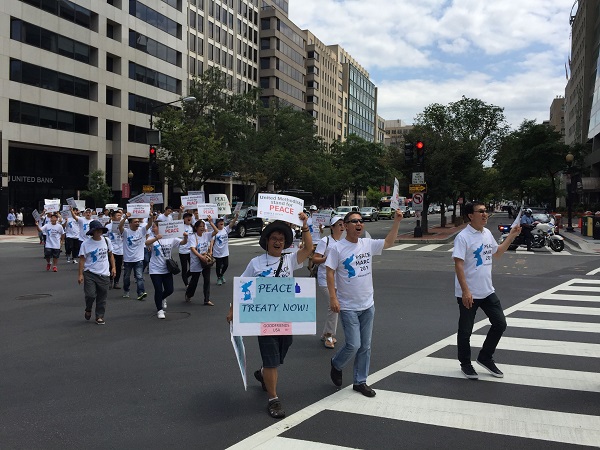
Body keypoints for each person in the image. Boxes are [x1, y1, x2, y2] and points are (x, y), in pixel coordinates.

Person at [226, 213, 313, 419]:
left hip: (286, 317)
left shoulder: (290, 260)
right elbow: (242, 286)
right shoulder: (256, 263)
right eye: (274, 238)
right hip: (263, 319)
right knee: (272, 359)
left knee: (282, 350)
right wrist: (232, 309)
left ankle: (263, 371)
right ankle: (273, 399)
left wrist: (305, 226)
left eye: (281, 239)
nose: (278, 242)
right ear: (267, 241)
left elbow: (308, 249)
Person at [326, 209, 403, 398]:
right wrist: (333, 298)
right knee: (353, 344)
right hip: (348, 306)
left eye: (361, 221)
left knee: (365, 346)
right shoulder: (337, 248)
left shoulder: (367, 244)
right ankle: (336, 363)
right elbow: (329, 272)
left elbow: (389, 242)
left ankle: (360, 381)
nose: (359, 224)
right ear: (345, 226)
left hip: (368, 304)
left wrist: (397, 222)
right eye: (354, 221)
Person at [452, 201, 520, 380]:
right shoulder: (463, 237)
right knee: (466, 330)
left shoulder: (487, 233)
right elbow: (458, 264)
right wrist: (465, 291)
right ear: (470, 215)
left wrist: (511, 236)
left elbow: (496, 253)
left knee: (500, 323)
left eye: (485, 211)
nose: (485, 214)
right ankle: (465, 363)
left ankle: (485, 357)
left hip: (487, 290)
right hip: (469, 293)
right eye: (480, 211)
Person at [312, 216, 345, 349]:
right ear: (332, 227)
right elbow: (315, 259)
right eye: (339, 224)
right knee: (334, 307)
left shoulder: (344, 242)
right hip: (324, 279)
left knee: (333, 307)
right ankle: (329, 336)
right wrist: (327, 258)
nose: (342, 227)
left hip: (338, 280)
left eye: (343, 224)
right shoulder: (325, 241)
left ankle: (326, 333)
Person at [146, 221, 188, 319]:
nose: (153, 229)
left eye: (154, 227)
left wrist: (185, 237)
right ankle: (159, 310)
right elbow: (146, 243)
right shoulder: (152, 238)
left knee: (169, 290)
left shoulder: (171, 238)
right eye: (152, 227)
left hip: (167, 269)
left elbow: (182, 243)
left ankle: (162, 298)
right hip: (155, 269)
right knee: (158, 289)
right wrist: (156, 238)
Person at [78, 220, 116, 325]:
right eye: (96, 230)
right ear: (92, 232)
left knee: (102, 297)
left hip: (104, 274)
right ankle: (88, 308)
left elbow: (111, 255)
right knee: (90, 295)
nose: (99, 231)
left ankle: (99, 316)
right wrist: (80, 274)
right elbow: (82, 259)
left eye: (100, 229)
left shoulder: (107, 240)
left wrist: (113, 268)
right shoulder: (86, 244)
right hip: (90, 273)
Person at [119, 207, 153, 301]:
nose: (137, 223)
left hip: (139, 258)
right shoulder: (126, 232)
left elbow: (149, 224)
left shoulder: (141, 230)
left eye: (138, 222)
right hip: (128, 259)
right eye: (135, 222)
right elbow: (120, 227)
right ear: (130, 223)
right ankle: (126, 290)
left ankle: (141, 293)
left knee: (139, 277)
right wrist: (125, 217)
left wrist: (151, 216)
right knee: (126, 278)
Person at [185, 217, 217, 305]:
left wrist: (211, 223)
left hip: (205, 261)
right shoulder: (193, 237)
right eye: (200, 226)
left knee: (207, 280)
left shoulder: (206, 235)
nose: (202, 228)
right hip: (196, 261)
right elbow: (192, 249)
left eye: (203, 226)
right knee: (194, 281)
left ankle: (206, 299)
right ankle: (189, 294)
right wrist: (200, 256)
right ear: (196, 228)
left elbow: (216, 231)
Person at [212, 214, 238, 286]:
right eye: (220, 222)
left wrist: (236, 217)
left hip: (225, 252)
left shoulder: (226, 229)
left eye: (222, 221)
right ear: (217, 224)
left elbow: (231, 223)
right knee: (218, 266)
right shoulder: (215, 232)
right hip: (217, 252)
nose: (221, 223)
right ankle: (219, 278)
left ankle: (221, 274)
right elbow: (212, 242)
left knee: (226, 265)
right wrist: (210, 251)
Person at [108, 209, 124, 289]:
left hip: (120, 249)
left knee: (118, 266)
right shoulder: (108, 226)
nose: (119, 217)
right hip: (111, 249)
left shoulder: (124, 226)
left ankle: (116, 282)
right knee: (111, 265)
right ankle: (110, 280)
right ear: (113, 217)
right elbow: (105, 237)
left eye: (120, 216)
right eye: (117, 216)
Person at [178, 212, 194, 286]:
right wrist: (180, 211)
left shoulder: (192, 227)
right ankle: (186, 284)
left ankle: (185, 276)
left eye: (190, 217)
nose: (189, 218)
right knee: (184, 268)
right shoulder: (181, 226)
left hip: (191, 250)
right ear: (184, 219)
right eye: (187, 217)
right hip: (183, 251)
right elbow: (178, 221)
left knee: (193, 267)